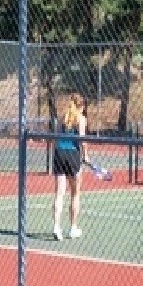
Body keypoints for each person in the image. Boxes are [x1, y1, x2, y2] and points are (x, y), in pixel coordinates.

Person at [52, 93, 87, 241]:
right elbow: (82, 140)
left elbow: (55, 139)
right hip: (72, 155)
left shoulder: (61, 118)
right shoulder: (81, 119)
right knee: (75, 193)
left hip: (59, 153)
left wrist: (58, 153)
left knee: (59, 193)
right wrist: (86, 156)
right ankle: (73, 227)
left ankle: (56, 226)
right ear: (81, 106)